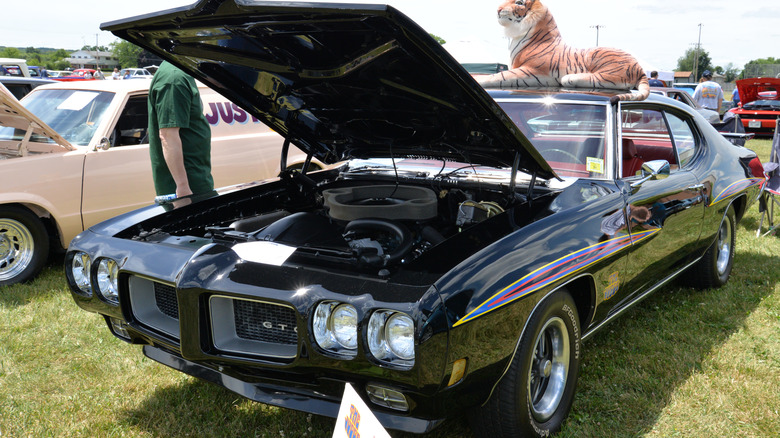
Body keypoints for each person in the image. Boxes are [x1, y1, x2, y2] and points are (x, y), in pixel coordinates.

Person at [147, 60, 213, 199]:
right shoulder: (174, 78)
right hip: (188, 187)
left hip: (194, 179)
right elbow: (167, 135)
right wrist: (182, 187)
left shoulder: (180, 73)